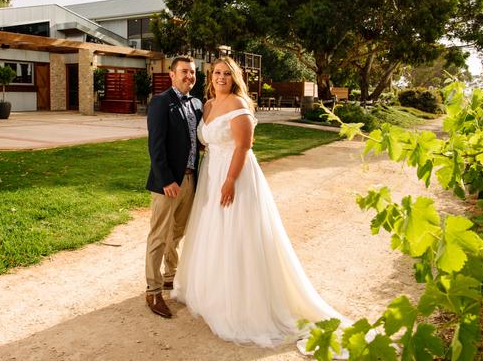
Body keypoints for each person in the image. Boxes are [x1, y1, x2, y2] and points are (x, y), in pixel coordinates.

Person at [172, 56, 349, 348]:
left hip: (234, 175)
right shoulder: (209, 105)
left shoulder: (239, 106)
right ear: (210, 76)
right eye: (216, 72)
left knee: (236, 231)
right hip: (211, 173)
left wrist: (229, 181)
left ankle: (242, 303)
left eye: (226, 74)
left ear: (235, 78)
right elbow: (206, 141)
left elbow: (243, 146)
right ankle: (212, 292)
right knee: (212, 231)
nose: (220, 77)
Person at [144, 55, 203, 318]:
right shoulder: (160, 102)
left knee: (177, 233)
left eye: (192, 72)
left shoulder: (197, 104)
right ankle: (153, 290)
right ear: (171, 74)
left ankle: (170, 276)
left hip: (190, 179)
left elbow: (196, 141)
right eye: (184, 72)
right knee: (159, 235)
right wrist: (167, 179)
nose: (188, 76)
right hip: (167, 183)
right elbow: (155, 146)